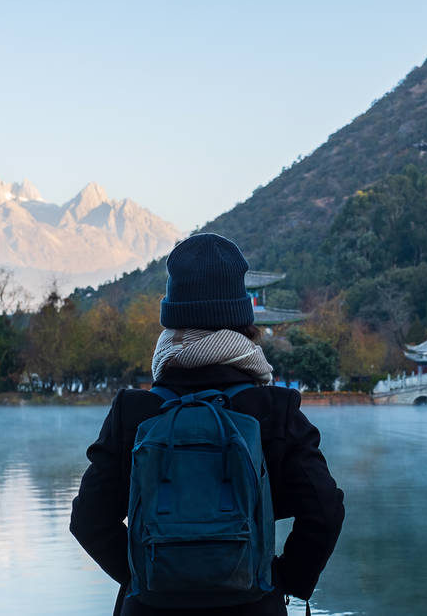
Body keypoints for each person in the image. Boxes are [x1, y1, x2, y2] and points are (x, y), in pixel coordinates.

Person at [71, 233, 345, 616]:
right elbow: (325, 509)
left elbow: (88, 519)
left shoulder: (132, 412)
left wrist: (145, 576)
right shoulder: (276, 410)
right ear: (242, 317)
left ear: (172, 317)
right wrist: (282, 579)